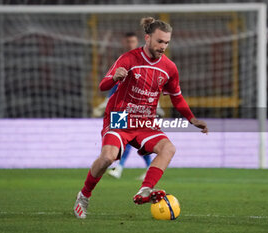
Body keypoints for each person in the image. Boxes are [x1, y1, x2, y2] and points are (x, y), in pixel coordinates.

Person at [74, 17, 208, 219]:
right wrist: (114, 77)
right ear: (147, 38)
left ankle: (145, 189)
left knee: (169, 148)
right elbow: (103, 86)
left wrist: (192, 119)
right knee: (108, 158)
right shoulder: (128, 59)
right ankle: (83, 196)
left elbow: (177, 98)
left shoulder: (169, 68)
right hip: (119, 117)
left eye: (166, 42)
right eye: (159, 41)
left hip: (145, 121)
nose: (163, 46)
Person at [93, 32, 154, 179]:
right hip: (120, 108)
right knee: (121, 137)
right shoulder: (122, 60)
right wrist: (105, 103)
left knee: (135, 138)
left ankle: (123, 167)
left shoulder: (142, 60)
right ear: (123, 43)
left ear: (136, 42)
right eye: (127, 42)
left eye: (132, 41)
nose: (130, 44)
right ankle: (121, 167)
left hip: (137, 107)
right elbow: (116, 83)